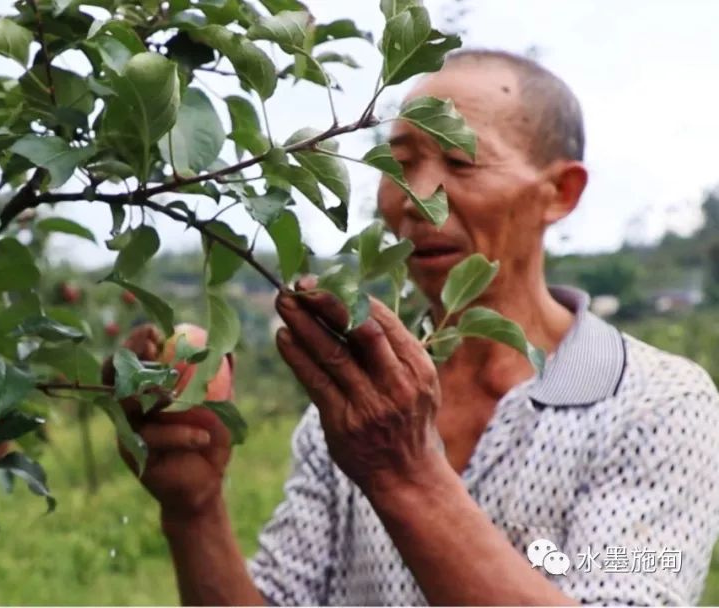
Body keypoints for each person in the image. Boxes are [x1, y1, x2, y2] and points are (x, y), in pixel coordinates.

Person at [107, 49, 719, 605]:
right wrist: (195, 510)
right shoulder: (354, 407)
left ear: (559, 192)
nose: (416, 196)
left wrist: (403, 470)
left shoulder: (657, 404)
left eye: (461, 159)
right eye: (399, 162)